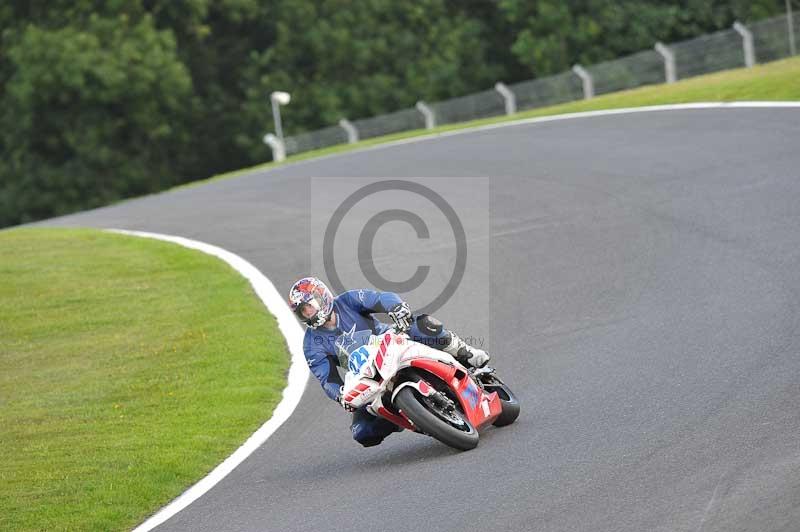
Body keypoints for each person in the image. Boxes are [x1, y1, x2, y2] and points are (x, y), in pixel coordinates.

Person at [288, 276, 490, 447]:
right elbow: (327, 379)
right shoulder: (311, 345)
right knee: (362, 432)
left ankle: (465, 353)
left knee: (422, 325)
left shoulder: (348, 300)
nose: (308, 314)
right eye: (303, 312)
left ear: (322, 297)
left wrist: (396, 308)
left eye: (309, 306)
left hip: (390, 342)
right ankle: (410, 416)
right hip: (367, 373)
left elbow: (379, 298)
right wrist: (340, 396)